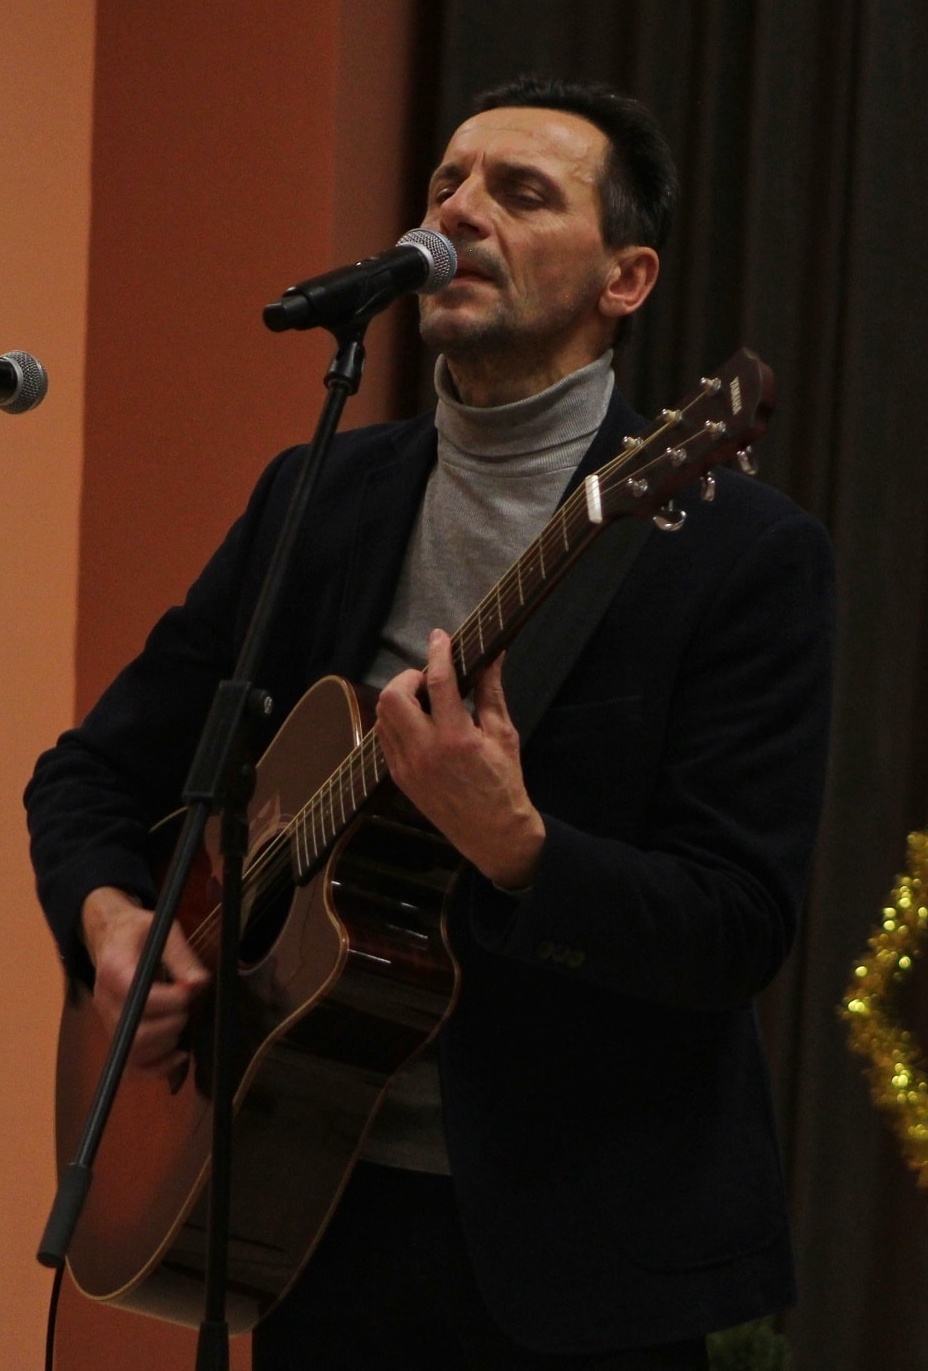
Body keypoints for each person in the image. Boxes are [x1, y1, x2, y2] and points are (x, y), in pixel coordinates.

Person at [25, 76, 834, 1370]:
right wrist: (116, 923)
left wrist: (519, 847)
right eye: (447, 183)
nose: (459, 212)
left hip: (575, 1251)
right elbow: (91, 775)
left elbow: (737, 928)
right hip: (300, 1206)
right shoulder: (321, 493)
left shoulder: (734, 550)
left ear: (626, 280)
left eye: (522, 193)